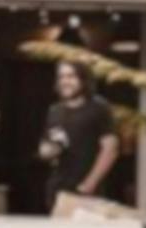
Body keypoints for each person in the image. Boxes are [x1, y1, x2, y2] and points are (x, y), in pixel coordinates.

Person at [39, 61, 121, 212]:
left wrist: (90, 184)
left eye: (71, 76)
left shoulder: (99, 107)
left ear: (83, 79)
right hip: (57, 190)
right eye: (61, 77)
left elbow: (110, 149)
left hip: (86, 190)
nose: (65, 81)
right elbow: (46, 149)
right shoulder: (54, 111)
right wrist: (49, 151)